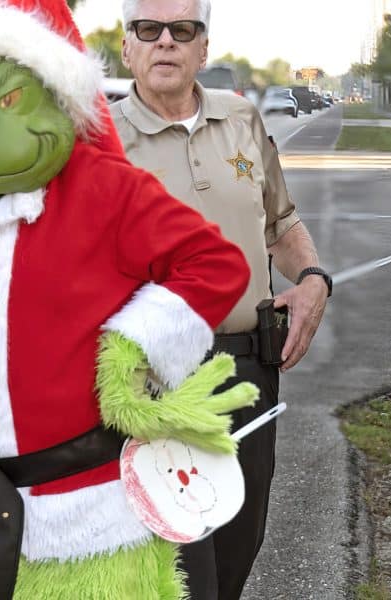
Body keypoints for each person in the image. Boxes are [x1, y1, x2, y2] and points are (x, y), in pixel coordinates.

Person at [0, 0, 259, 597]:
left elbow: (217, 263)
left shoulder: (103, 184)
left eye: (11, 101)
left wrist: (132, 347)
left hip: (83, 514)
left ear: (57, 100)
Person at [111, 1, 332, 598]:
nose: (165, 41)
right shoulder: (101, 141)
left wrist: (313, 279)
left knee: (237, 549)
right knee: (184, 574)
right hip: (156, 383)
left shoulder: (241, 119)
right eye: (148, 29)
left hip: (250, 369)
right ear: (127, 46)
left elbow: (281, 223)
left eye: (182, 29)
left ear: (202, 48)